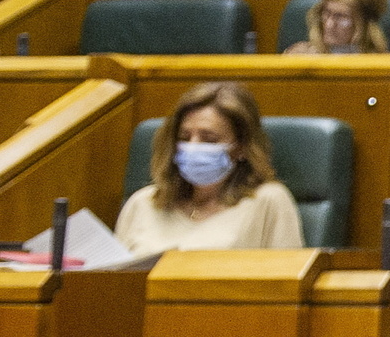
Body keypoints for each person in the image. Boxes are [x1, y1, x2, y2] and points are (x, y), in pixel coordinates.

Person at [114, 80, 306, 253]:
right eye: (184, 137)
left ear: (241, 148)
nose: (193, 147)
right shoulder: (143, 203)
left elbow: (284, 285)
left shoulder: (268, 201)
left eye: (209, 139)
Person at [294, 0, 390, 54]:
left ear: (366, 23)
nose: (328, 25)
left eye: (340, 17)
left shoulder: (384, 66)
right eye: (326, 13)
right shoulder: (301, 57)